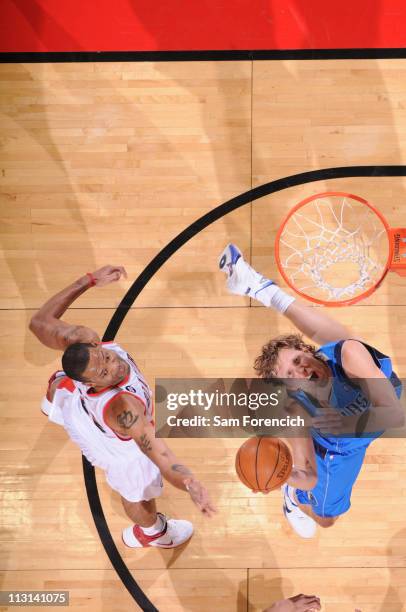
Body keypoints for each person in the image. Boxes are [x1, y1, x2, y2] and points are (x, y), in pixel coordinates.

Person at [219, 244, 404, 538]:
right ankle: (293, 502)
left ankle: (260, 287)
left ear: (305, 348)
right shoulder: (297, 409)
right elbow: (307, 476)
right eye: (290, 375)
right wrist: (278, 477)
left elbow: (395, 414)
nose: (300, 370)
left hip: (375, 408)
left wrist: (345, 424)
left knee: (346, 342)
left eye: (296, 359)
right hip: (337, 452)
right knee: (327, 520)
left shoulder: (348, 354)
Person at [29, 265, 216, 549]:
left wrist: (88, 280)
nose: (113, 365)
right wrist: (189, 482)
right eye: (103, 372)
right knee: (138, 493)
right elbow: (160, 453)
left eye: (104, 356)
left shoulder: (82, 341)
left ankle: (54, 401)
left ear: (94, 345)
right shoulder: (124, 408)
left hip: (78, 404)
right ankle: (153, 532)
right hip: (120, 450)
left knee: (60, 385)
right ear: (92, 382)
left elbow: (39, 322)